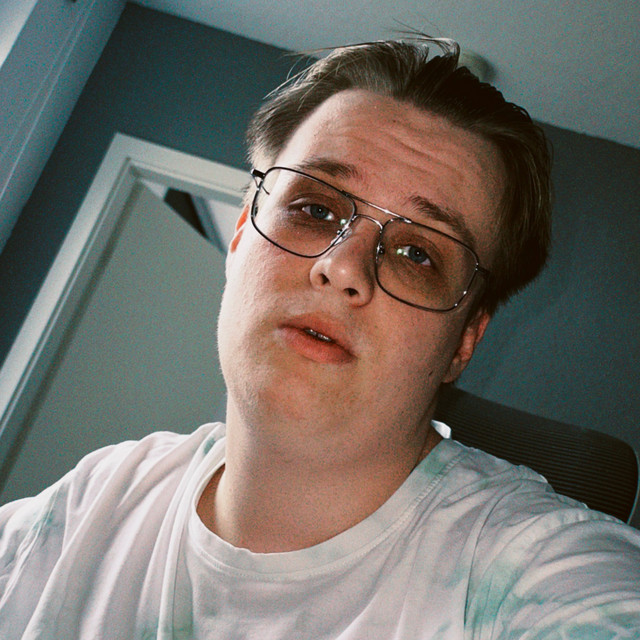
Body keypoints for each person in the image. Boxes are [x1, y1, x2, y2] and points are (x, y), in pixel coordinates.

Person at [1, 37, 639, 639]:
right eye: (315, 209)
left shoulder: (532, 570)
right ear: (240, 238)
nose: (343, 267)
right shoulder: (96, 500)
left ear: (464, 340)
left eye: (418, 253)